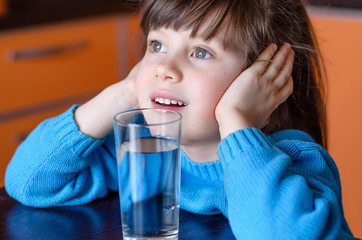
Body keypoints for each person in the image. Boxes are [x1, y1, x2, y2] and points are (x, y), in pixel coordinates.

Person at [4, 0, 358, 239]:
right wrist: (125, 92)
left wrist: (236, 120)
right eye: (156, 46)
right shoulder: (140, 155)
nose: (165, 69)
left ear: (263, 81)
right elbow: (29, 181)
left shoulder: (297, 163)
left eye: (200, 52)